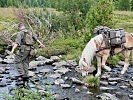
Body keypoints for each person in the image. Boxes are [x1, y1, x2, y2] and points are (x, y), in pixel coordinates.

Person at [11, 23, 45, 87]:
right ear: (24, 27)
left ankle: (22, 75)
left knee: (17, 60)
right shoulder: (30, 32)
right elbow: (36, 39)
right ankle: (26, 76)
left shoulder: (20, 33)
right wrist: (41, 44)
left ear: (19, 27)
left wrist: (12, 50)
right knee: (25, 62)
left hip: (24, 49)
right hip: (31, 50)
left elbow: (17, 43)